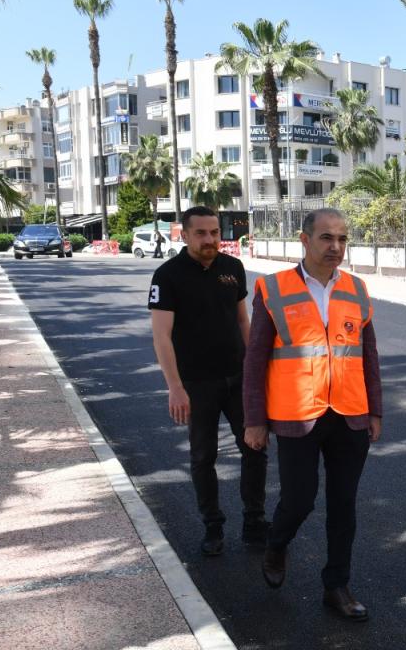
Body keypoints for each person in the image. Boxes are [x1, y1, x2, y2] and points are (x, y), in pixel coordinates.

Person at [243, 208, 382, 622]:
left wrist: (376, 410)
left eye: (342, 238)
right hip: (296, 414)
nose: (335, 247)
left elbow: (368, 356)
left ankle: (336, 586)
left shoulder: (357, 289)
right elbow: (255, 360)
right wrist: (254, 420)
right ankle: (277, 544)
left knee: (344, 505)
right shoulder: (273, 289)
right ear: (304, 240)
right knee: (299, 499)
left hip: (350, 414)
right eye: (326, 238)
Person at [149, 205, 268, 557]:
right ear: (184, 235)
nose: (209, 240)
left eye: (214, 233)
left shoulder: (233, 268)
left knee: (255, 448)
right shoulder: (167, 275)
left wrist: (254, 372)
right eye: (200, 233)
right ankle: (212, 526)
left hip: (238, 378)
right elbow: (161, 337)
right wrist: (175, 387)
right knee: (203, 457)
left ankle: (254, 521)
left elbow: (243, 322)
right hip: (196, 384)